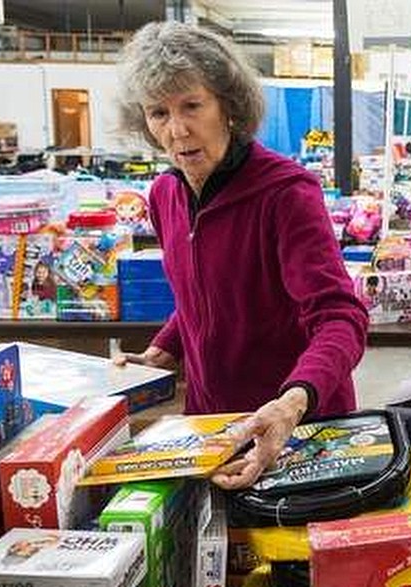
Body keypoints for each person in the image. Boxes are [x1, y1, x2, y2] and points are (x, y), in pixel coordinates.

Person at [113, 22, 369, 489]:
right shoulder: (164, 195)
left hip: (299, 431)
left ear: (228, 106)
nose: (177, 129)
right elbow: (202, 290)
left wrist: (292, 403)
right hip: (214, 428)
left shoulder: (286, 193)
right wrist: (163, 349)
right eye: (158, 113)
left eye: (192, 105)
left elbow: (340, 317)